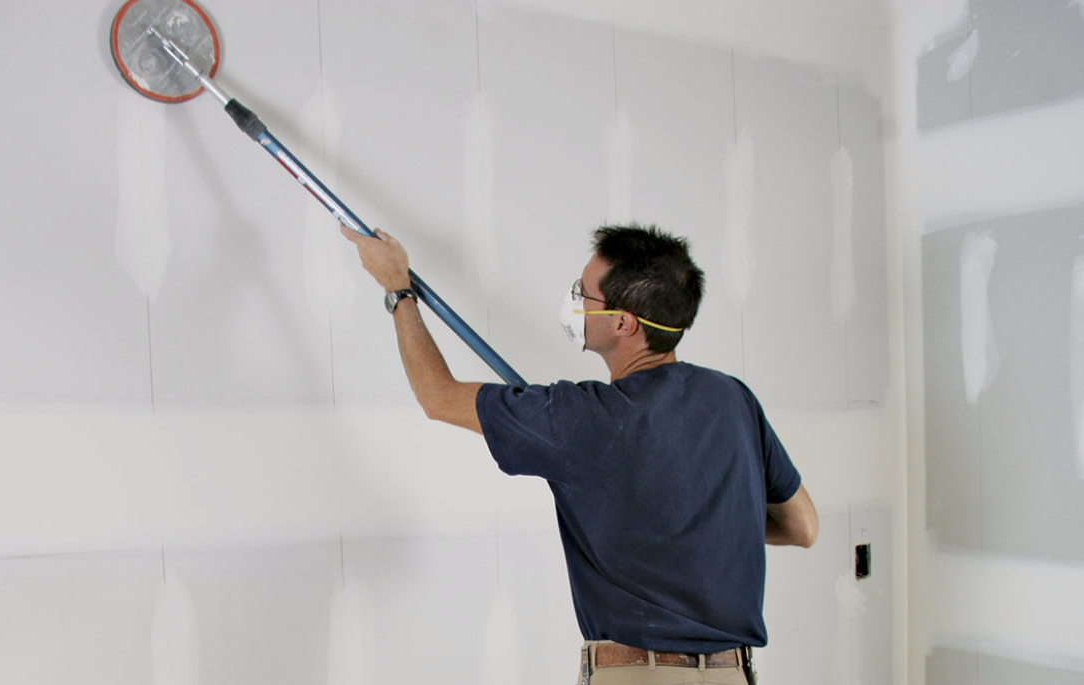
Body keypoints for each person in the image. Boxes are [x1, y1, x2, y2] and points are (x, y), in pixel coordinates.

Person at [342, 223, 818, 685]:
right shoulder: (733, 399)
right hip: (733, 675)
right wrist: (696, 526)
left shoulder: (581, 418)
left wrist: (397, 291)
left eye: (585, 293)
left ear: (623, 322)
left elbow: (438, 396)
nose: (576, 302)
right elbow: (803, 527)